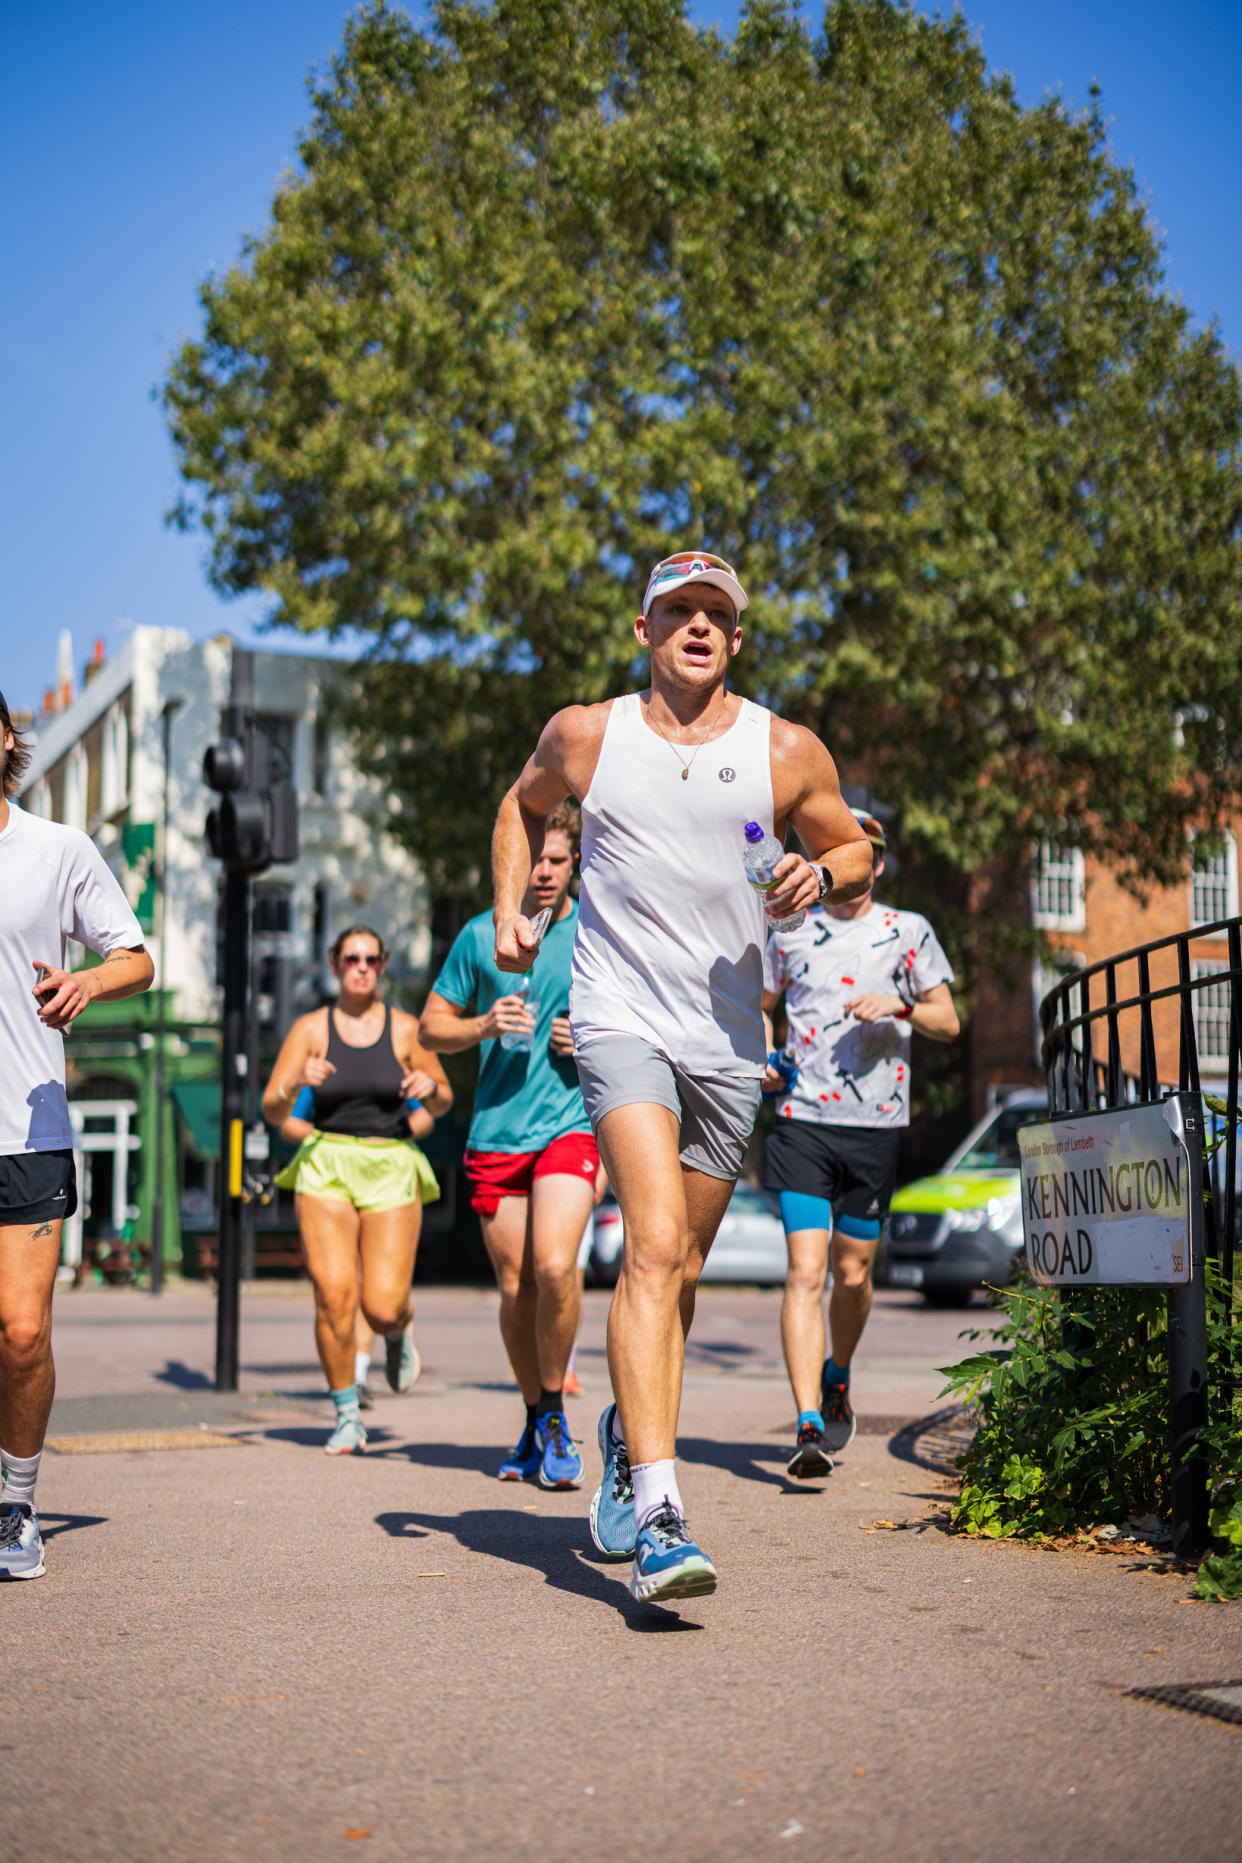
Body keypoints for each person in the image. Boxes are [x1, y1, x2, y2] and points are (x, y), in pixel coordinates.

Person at [491, 551, 872, 1604]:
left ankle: (625, 1430)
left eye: (718, 613)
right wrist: (517, 912)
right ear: (645, 627)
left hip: (727, 1041)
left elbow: (856, 853)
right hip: (618, 1018)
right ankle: (661, 1512)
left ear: (737, 638)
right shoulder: (588, 734)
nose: (698, 626)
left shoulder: (786, 749)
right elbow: (519, 809)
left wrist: (819, 869)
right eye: (679, 610)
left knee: (683, 1268)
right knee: (651, 1244)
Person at [0, 692, 154, 1579]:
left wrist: (89, 986)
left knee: (21, 1332)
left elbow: (135, 956)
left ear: (6, 740)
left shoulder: (58, 849)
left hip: (27, 1126)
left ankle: (16, 1501)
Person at [762, 810, 960, 1478]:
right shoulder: (787, 927)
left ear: (876, 865)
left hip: (875, 1124)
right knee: (806, 1271)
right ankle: (808, 1421)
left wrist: (898, 1006)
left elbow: (950, 1020)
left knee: (852, 1275)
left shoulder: (908, 932)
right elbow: (759, 1002)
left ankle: (837, 1372)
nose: (853, 863)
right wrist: (762, 1050)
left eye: (866, 854)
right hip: (801, 1120)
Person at [420, 804, 605, 1491]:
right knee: (515, 1285)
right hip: (497, 1129)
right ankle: (535, 1415)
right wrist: (481, 1022)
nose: (547, 871)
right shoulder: (480, 936)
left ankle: (555, 1412)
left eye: (559, 859)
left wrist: (585, 1038)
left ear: (576, 862)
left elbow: (643, 1016)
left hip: (570, 1124)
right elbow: (431, 1028)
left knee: (556, 1267)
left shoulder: (599, 930)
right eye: (536, 860)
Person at [263, 926, 452, 1454]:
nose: (361, 968)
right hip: (326, 1163)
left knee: (382, 1305)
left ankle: (398, 1329)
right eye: (351, 959)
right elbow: (272, 1110)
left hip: (390, 1163)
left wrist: (429, 1089)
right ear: (334, 965)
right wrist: (295, 1080)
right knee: (332, 1297)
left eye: (371, 959)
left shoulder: (407, 1029)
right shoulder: (310, 1028)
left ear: (383, 966)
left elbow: (442, 1102)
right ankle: (347, 1413)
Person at [281, 1085, 432, 1407]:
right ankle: (357, 1378)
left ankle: (396, 1326)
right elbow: (290, 1123)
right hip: (331, 1176)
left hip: (385, 1177)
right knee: (338, 1290)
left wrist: (389, 1134)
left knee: (377, 1299)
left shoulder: (394, 1068)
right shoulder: (322, 1073)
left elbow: (424, 1115)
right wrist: (333, 1138)